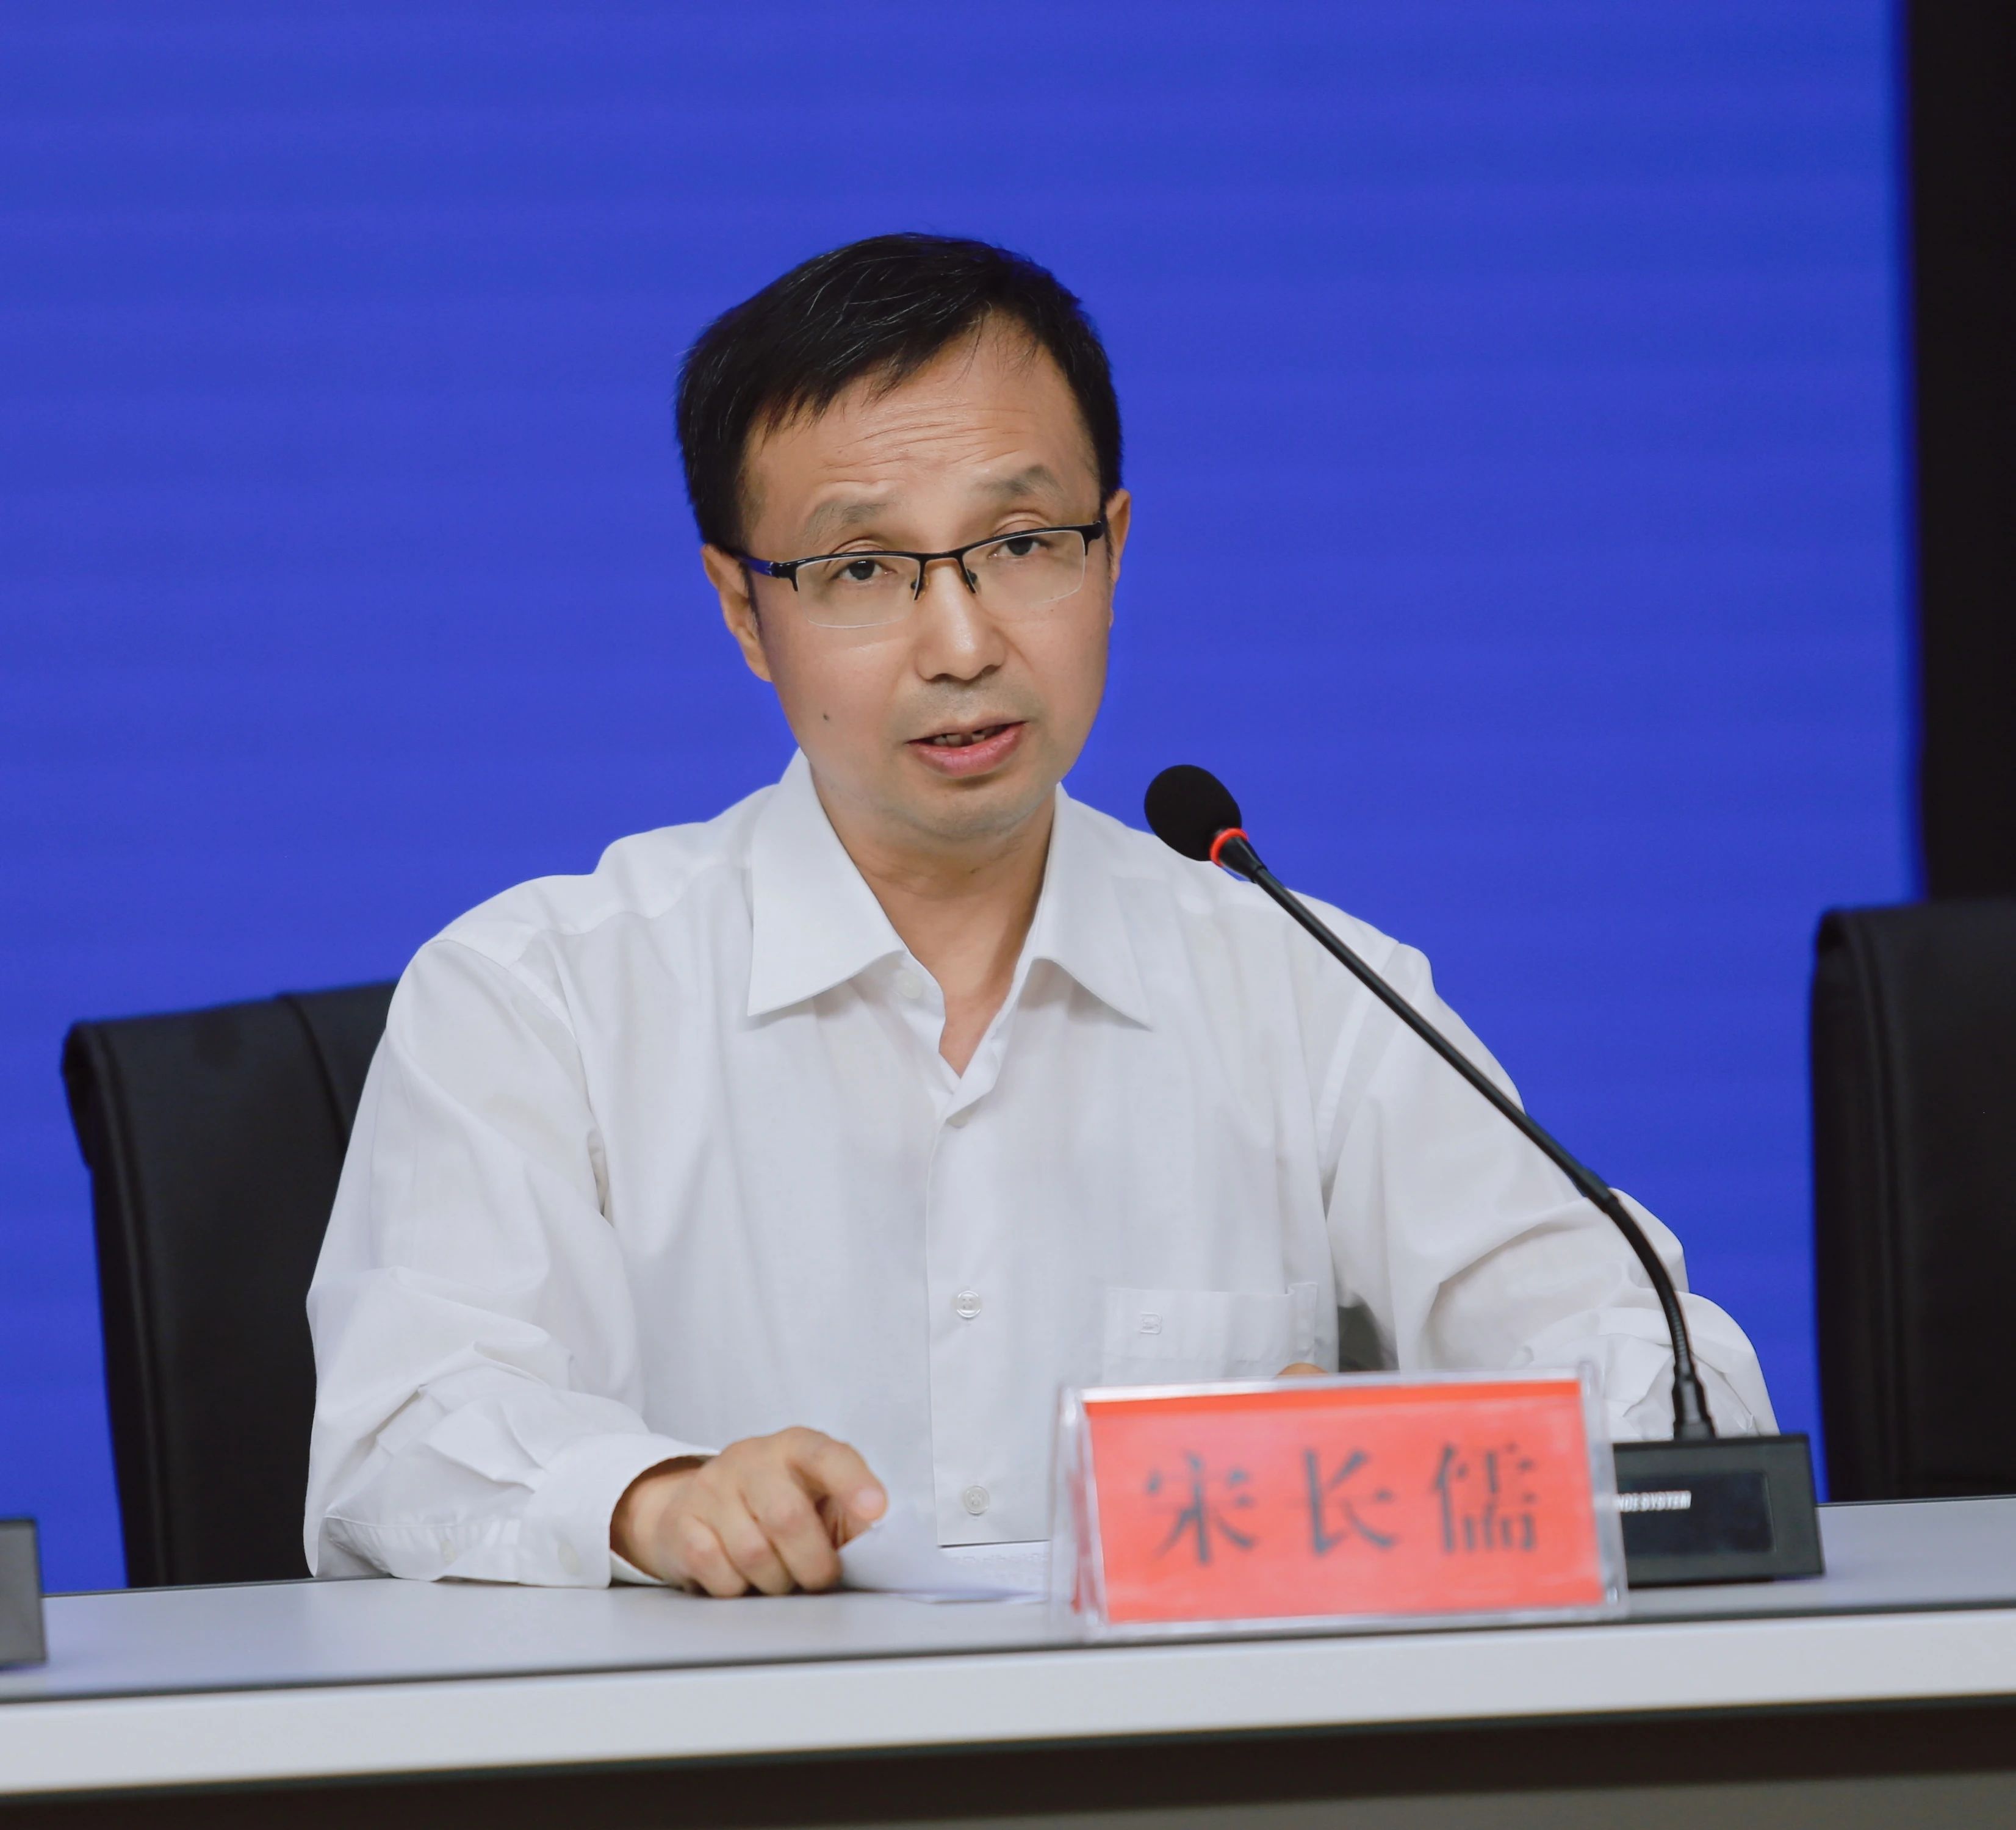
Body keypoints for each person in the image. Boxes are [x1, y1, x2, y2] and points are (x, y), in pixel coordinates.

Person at [304, 233, 1774, 1596]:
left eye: (1019, 545)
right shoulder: (539, 996)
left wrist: (1410, 1452)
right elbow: (401, 1438)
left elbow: (1662, 1378)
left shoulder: (1305, 989)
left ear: (1110, 548)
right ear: (744, 611)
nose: (961, 644)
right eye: (860, 569)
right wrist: (654, 1498)